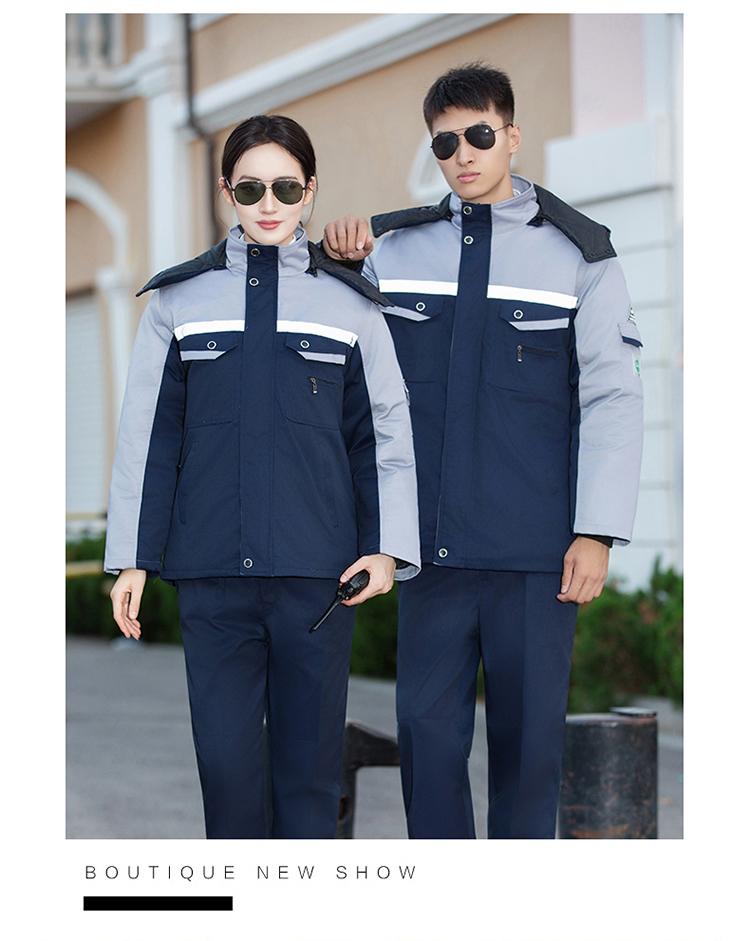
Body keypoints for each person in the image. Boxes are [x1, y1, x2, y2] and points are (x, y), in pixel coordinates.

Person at [322, 63, 644, 839]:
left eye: (478, 135)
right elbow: (343, 373)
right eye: (444, 142)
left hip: (536, 558)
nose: (462, 154)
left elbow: (614, 396)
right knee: (427, 747)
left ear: (512, 136)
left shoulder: (581, 256)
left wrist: (597, 530)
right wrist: (337, 264)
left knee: (529, 757)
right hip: (430, 555)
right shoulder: (395, 252)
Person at [102, 114, 421, 839]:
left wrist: (386, 548)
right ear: (227, 193)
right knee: (227, 774)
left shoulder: (351, 304)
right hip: (213, 578)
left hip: (318, 580)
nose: (268, 203)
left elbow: (383, 434)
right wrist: (132, 558)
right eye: (250, 189)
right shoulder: (178, 303)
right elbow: (148, 436)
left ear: (310, 191)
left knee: (308, 777)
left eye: (285, 187)